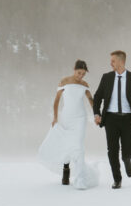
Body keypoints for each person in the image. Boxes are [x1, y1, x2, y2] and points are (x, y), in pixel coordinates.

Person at [37, 60, 99, 189]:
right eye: (79, 73)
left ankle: (80, 179)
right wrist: (55, 118)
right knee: (66, 143)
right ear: (74, 69)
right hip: (66, 118)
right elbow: (56, 101)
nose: (80, 76)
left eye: (83, 74)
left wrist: (96, 114)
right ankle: (66, 171)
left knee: (79, 146)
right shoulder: (64, 81)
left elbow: (91, 100)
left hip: (80, 118)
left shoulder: (84, 84)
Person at [92, 50, 131, 189]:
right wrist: (97, 114)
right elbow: (98, 96)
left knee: (127, 151)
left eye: (113, 61)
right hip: (110, 119)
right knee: (112, 150)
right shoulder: (106, 78)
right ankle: (117, 179)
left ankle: (127, 160)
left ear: (121, 62)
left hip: (129, 119)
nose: (110, 63)